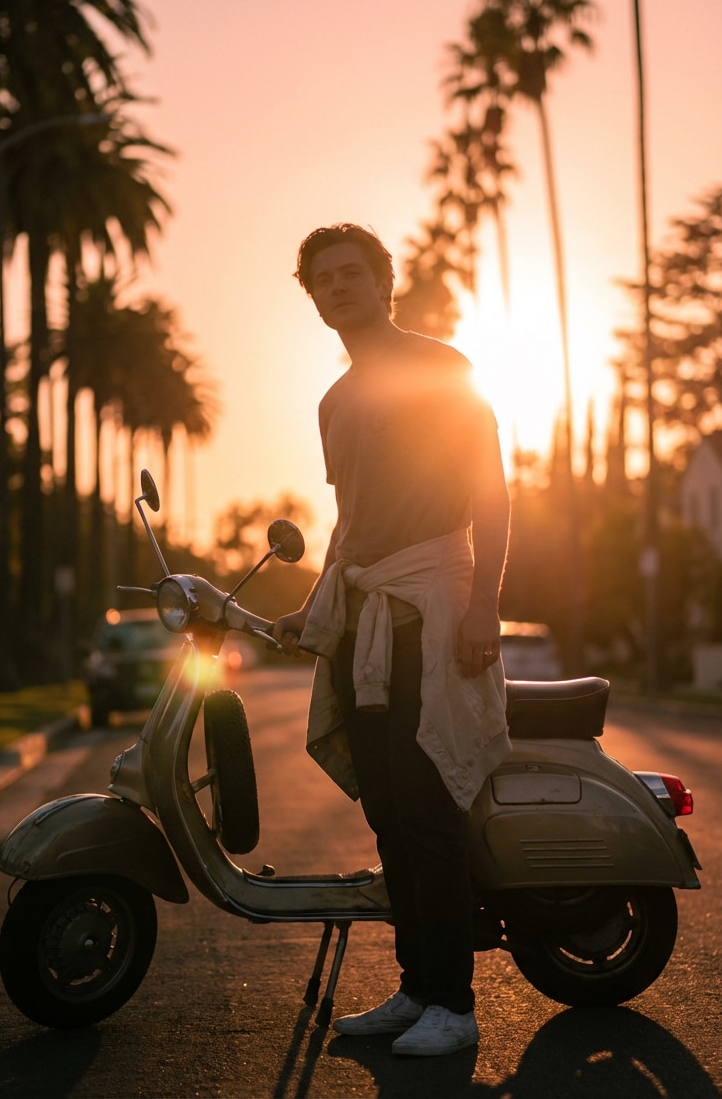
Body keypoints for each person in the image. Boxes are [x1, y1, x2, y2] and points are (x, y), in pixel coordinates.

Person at [273, 223, 511, 1057]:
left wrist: (485, 604)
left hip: (431, 604)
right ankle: (417, 989)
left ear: (384, 283)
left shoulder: (442, 367)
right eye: (324, 280)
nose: (339, 288)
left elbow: (490, 487)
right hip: (363, 611)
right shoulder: (334, 401)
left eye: (353, 274)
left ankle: (455, 1003)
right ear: (314, 298)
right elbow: (350, 523)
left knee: (424, 800)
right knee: (383, 809)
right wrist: (316, 602)